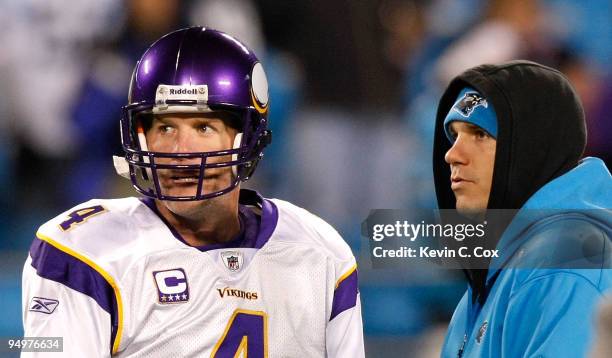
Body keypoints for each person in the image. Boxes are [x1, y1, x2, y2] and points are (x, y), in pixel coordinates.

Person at [22, 27, 364, 357]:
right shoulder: (85, 252)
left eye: (203, 127)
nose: (181, 150)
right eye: (165, 126)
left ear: (246, 141)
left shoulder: (319, 253)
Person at [431, 60, 612, 357]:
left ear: (530, 147)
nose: (452, 154)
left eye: (479, 134)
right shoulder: (491, 278)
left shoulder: (566, 260)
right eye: (454, 135)